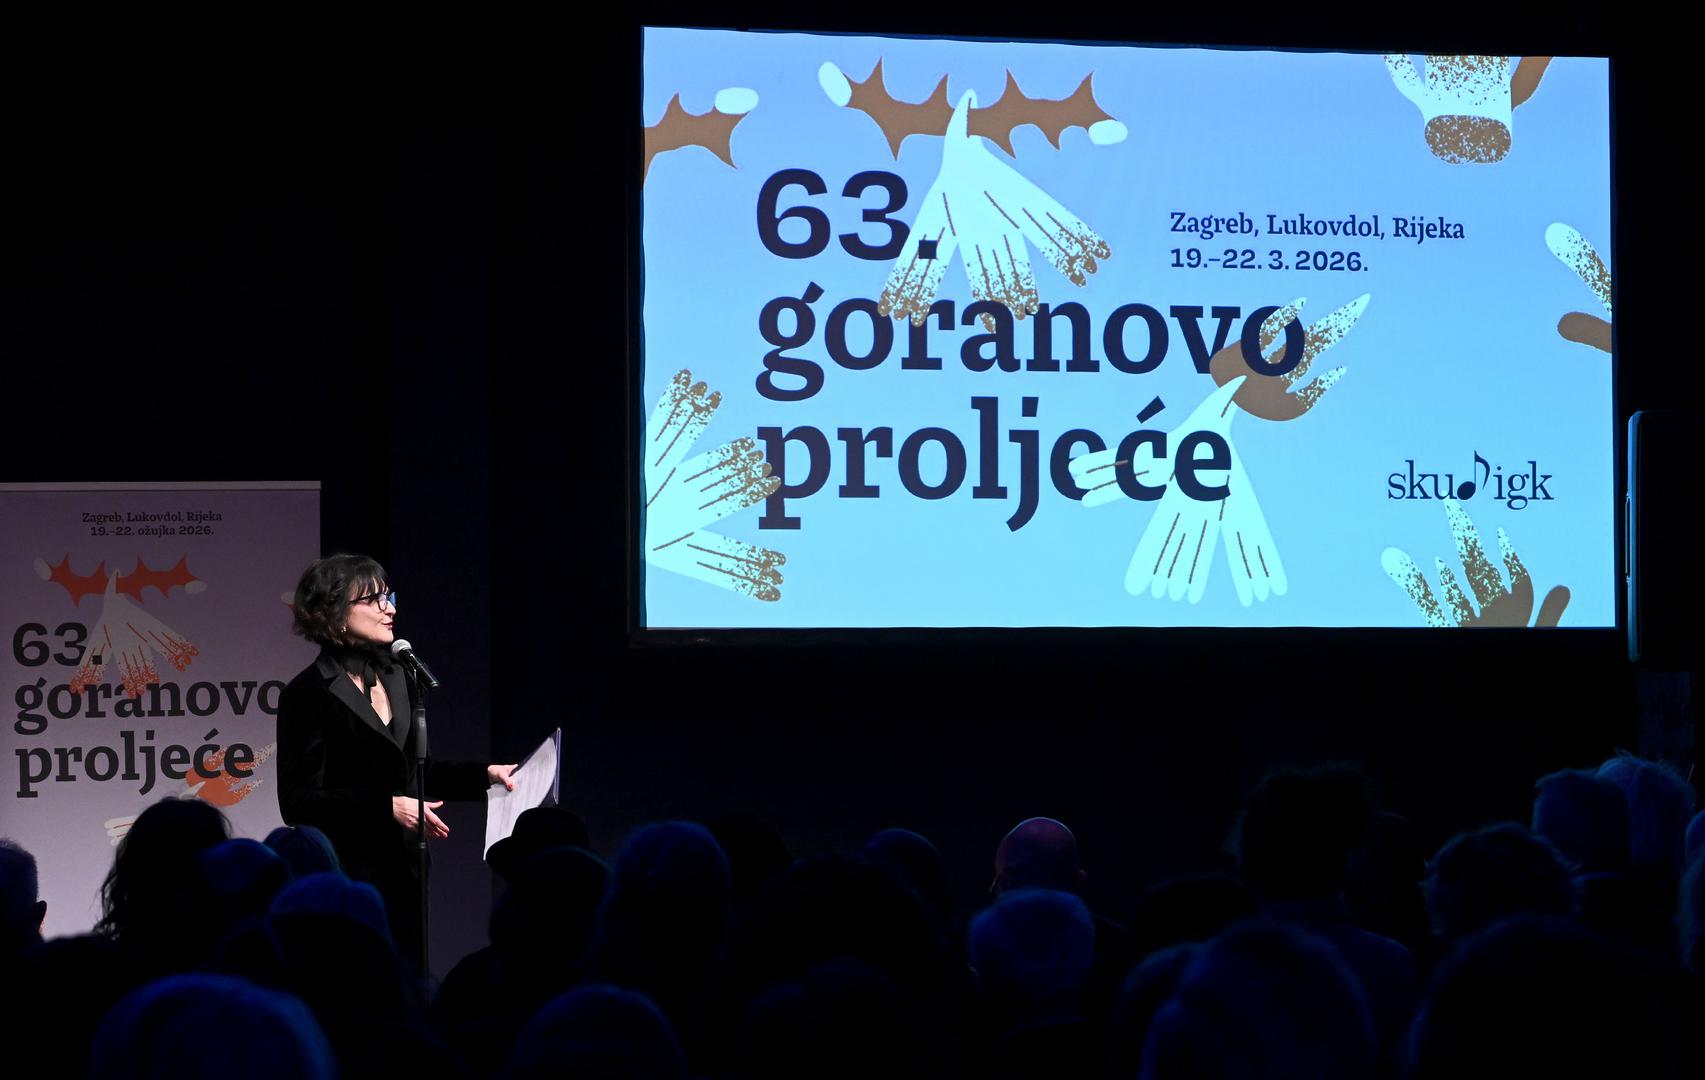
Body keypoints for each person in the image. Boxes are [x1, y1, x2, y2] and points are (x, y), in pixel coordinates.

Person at [276, 554, 513, 965]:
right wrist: (385, 807)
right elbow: (298, 802)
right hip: (347, 874)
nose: (390, 609)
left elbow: (420, 772)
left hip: (407, 867)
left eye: (389, 597)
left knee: (409, 977)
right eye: (374, 600)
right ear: (335, 612)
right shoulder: (307, 693)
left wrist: (485, 776)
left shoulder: (398, 675)